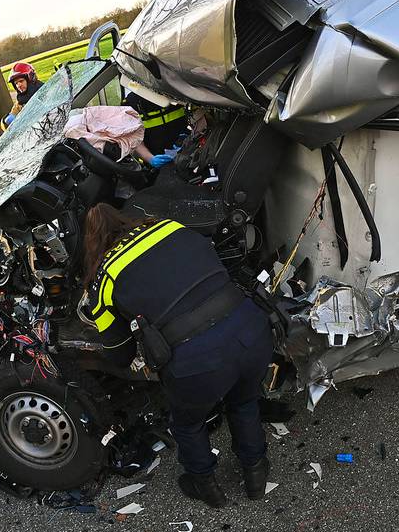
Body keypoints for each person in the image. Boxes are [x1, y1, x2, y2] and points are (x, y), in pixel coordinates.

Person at [80, 203, 273, 508]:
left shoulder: (105, 276)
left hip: (197, 362)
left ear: (92, 242)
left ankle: (205, 485)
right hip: (251, 329)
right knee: (244, 401)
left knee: (187, 423)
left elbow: (119, 354)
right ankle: (256, 475)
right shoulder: (170, 226)